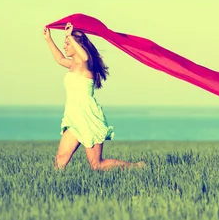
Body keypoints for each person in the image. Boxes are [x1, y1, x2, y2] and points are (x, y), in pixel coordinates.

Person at [43, 22, 145, 170]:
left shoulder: (87, 66)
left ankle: (136, 167)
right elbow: (59, 59)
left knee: (97, 165)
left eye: (67, 43)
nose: (65, 46)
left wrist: (69, 36)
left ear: (77, 44)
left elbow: (84, 57)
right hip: (73, 117)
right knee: (60, 159)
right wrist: (48, 39)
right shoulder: (73, 65)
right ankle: (51, 186)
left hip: (88, 117)